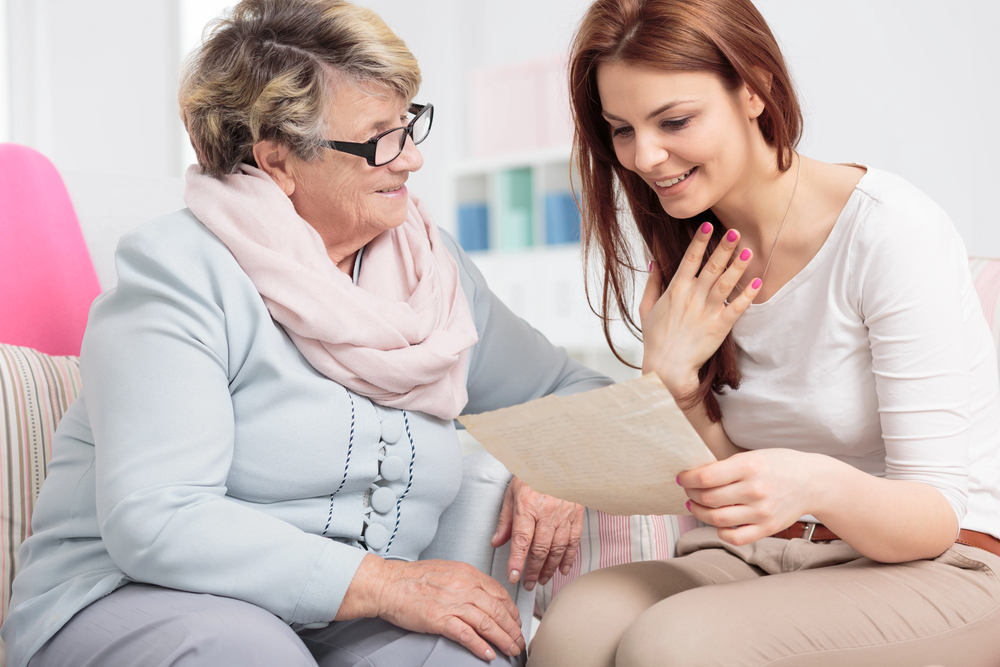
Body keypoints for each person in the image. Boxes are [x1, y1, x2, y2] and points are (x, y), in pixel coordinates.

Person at [0, 2, 611, 666]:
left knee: (469, 650)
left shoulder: (432, 272)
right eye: (381, 138)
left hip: (344, 617)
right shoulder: (179, 270)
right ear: (278, 161)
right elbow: (158, 518)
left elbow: (569, 387)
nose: (412, 159)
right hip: (134, 594)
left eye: (409, 125)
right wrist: (388, 583)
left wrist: (555, 466)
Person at [528, 0, 1000, 665]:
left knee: (671, 645)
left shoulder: (892, 232)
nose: (646, 157)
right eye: (622, 130)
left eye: (675, 121)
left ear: (755, 88)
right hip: (768, 553)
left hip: (942, 563)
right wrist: (674, 389)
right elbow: (723, 485)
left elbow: (935, 514)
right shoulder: (692, 256)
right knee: (576, 626)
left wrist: (815, 483)